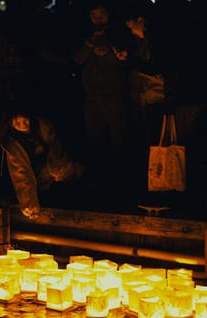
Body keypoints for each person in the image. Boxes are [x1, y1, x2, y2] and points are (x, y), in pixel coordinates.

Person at [72, 0, 131, 190]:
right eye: (94, 15)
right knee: (96, 137)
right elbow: (77, 60)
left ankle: (120, 177)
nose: (98, 19)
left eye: (102, 14)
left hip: (113, 93)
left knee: (118, 137)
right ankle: (101, 176)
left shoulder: (119, 33)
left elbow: (123, 61)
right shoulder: (84, 35)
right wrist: (90, 45)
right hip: (91, 94)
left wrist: (109, 52)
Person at [0, 107, 84, 220]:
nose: (22, 125)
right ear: (10, 124)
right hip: (38, 179)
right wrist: (30, 207)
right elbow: (21, 175)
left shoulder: (43, 128)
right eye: (17, 123)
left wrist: (59, 169)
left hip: (58, 171)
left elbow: (58, 149)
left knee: (72, 172)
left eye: (24, 120)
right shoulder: (14, 145)